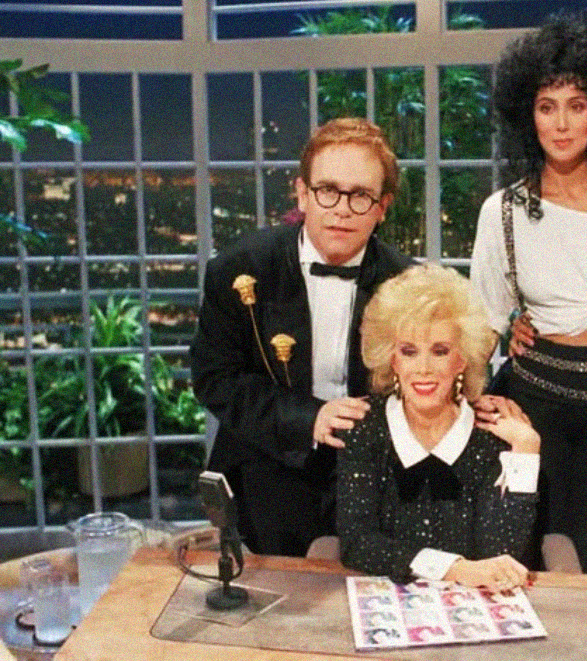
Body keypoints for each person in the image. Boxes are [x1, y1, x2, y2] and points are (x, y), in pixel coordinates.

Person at [469, 10, 587, 575]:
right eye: (546, 106)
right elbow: (480, 326)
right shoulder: (502, 211)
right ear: (526, 116)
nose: (561, 123)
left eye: (577, 104)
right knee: (521, 561)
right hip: (532, 403)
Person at [190, 117, 412, 557]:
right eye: (327, 190)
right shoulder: (237, 269)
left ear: (382, 206)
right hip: (268, 469)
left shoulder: (408, 283)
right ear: (302, 194)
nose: (342, 209)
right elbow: (214, 379)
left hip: (377, 476)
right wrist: (309, 419)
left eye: (361, 196)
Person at [335, 264, 540, 589]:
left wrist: (526, 451)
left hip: (474, 612)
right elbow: (358, 545)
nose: (424, 369)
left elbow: (500, 556)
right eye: (409, 351)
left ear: (462, 359)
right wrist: (454, 569)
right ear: (393, 359)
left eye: (440, 351)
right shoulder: (366, 427)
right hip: (388, 605)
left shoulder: (490, 435)